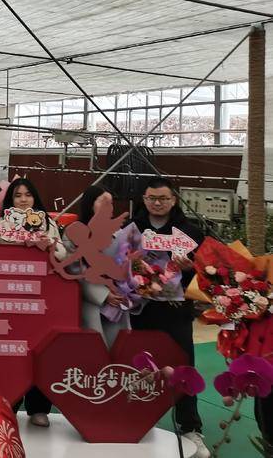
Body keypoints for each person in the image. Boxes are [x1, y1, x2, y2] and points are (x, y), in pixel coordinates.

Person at [128, 176, 208, 458]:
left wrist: (190, 267)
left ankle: (190, 427)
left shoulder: (191, 232)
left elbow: (206, 272)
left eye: (163, 198)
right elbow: (116, 263)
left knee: (183, 364)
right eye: (152, 198)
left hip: (176, 310)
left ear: (174, 200)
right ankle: (137, 420)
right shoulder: (132, 229)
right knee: (139, 365)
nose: (157, 203)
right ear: (144, 200)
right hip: (141, 309)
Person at [0, 178, 59, 428]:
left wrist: (49, 245)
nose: (23, 199)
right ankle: (9, 403)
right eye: (18, 195)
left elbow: (63, 255)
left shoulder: (47, 222)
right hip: (8, 298)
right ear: (10, 200)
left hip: (40, 297)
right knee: (10, 353)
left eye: (28, 194)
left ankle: (38, 408)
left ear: (35, 198)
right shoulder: (0, 223)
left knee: (40, 352)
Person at [67, 184, 129, 347]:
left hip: (119, 303)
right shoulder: (74, 232)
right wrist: (104, 294)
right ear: (90, 204)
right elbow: (76, 270)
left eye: (111, 203)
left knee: (119, 348)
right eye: (103, 201)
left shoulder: (121, 234)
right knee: (93, 349)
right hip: (90, 305)